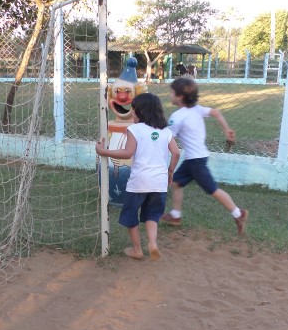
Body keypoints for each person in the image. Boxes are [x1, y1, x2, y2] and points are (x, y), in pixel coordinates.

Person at [96, 93, 180, 261]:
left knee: (130, 214)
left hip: (139, 182)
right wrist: (170, 171)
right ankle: (152, 243)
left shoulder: (135, 129)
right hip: (159, 182)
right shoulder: (165, 131)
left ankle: (137, 250)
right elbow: (176, 153)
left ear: (140, 112)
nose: (131, 113)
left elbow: (128, 152)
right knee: (152, 214)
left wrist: (104, 152)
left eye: (133, 109)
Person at [161, 77, 249, 234]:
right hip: (196, 158)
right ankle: (175, 215)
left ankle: (238, 214)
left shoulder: (177, 117)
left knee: (212, 189)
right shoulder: (197, 109)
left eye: (172, 92)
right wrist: (226, 130)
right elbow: (216, 112)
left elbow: (167, 138)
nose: (170, 95)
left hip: (195, 160)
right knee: (176, 182)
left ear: (180, 96)